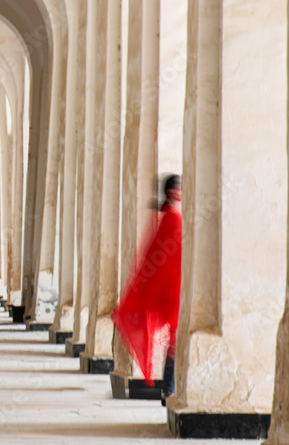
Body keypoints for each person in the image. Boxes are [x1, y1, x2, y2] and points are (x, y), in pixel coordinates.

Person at [111, 173, 182, 405]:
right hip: (172, 291)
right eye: (180, 188)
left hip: (171, 290)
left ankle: (168, 389)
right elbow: (170, 258)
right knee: (175, 342)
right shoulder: (173, 219)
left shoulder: (170, 217)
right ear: (172, 193)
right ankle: (168, 389)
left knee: (174, 342)